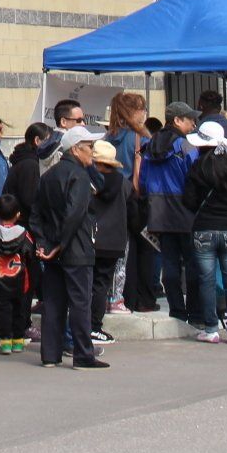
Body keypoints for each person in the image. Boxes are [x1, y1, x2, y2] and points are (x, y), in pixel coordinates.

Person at [31, 127, 104, 369]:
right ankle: (83, 355)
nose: (92, 153)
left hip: (53, 250)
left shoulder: (48, 176)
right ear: (75, 149)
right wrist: (60, 244)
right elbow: (74, 214)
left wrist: (45, 244)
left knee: (54, 303)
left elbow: (36, 216)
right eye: (89, 147)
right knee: (80, 303)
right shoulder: (80, 176)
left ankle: (50, 355)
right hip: (76, 249)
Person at [181, 125, 227, 344]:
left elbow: (189, 201)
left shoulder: (197, 167)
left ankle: (210, 328)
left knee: (207, 280)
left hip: (204, 228)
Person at [137, 99, 199, 323]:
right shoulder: (185, 146)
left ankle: (177, 309)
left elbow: (143, 182)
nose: (194, 124)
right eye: (190, 119)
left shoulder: (149, 146)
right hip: (185, 209)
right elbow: (194, 177)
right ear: (178, 120)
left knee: (169, 262)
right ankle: (195, 309)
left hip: (158, 211)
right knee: (192, 262)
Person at [105, 93, 159, 314]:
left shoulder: (108, 137)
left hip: (115, 199)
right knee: (146, 249)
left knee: (123, 251)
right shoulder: (140, 138)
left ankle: (121, 296)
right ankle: (144, 299)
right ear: (134, 112)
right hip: (137, 199)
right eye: (142, 109)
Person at [87, 140, 128, 344]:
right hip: (113, 240)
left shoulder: (88, 180)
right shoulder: (123, 182)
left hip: (89, 237)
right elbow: (137, 209)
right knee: (101, 284)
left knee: (86, 283)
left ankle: (86, 325)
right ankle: (94, 326)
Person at [0, 195, 34, 355]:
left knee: (2, 311)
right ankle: (18, 341)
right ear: (18, 214)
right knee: (20, 310)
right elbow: (30, 255)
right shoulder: (24, 234)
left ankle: (5, 341)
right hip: (20, 280)